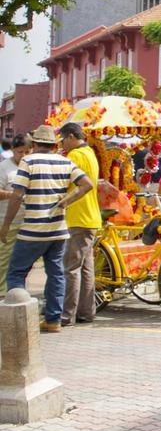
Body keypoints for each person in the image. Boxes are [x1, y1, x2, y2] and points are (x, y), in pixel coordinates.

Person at [1, 125, 94, 333]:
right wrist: (67, 200)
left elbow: (16, 195)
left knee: (16, 273)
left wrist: (6, 225)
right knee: (56, 274)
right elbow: (87, 184)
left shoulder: (28, 161)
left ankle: (18, 320)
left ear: (34, 144)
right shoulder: (66, 161)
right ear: (54, 145)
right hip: (58, 230)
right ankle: (53, 320)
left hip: (32, 230)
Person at [58, 123, 102, 327]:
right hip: (91, 217)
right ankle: (86, 312)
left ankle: (67, 315)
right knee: (86, 268)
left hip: (78, 217)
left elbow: (64, 183)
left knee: (71, 268)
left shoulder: (75, 156)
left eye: (63, 140)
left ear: (70, 136)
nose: (63, 144)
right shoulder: (90, 153)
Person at [0, 134, 31, 297]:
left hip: (27, 221)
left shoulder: (30, 165)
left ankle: (17, 292)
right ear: (13, 150)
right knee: (4, 259)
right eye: (20, 152)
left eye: (27, 152)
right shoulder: (4, 167)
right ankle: (2, 293)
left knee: (22, 261)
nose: (23, 156)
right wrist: (12, 195)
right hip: (6, 220)